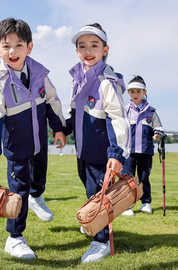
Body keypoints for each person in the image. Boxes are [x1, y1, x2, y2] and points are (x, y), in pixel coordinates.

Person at [0, 18, 67, 259]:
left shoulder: (39, 73)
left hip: (40, 145)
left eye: (19, 45)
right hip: (16, 148)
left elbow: (51, 100)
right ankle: (15, 238)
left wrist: (59, 128)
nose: (13, 51)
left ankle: (37, 195)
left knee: (37, 181)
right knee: (18, 192)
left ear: (29, 47)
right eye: (6, 46)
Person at [64, 23, 131, 263]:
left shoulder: (107, 81)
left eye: (94, 45)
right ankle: (96, 226)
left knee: (98, 197)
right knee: (90, 192)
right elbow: (74, 113)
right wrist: (63, 131)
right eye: (82, 46)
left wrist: (116, 154)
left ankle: (101, 242)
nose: (88, 50)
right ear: (77, 51)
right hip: (83, 150)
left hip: (101, 152)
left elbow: (118, 120)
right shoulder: (79, 77)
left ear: (105, 49)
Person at [121, 75, 165, 216]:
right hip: (129, 152)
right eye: (132, 91)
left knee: (144, 178)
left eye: (138, 91)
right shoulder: (125, 110)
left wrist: (157, 134)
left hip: (146, 151)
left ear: (144, 92)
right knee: (128, 179)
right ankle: (126, 206)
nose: (135, 94)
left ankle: (146, 203)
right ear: (128, 92)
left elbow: (158, 127)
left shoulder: (151, 112)